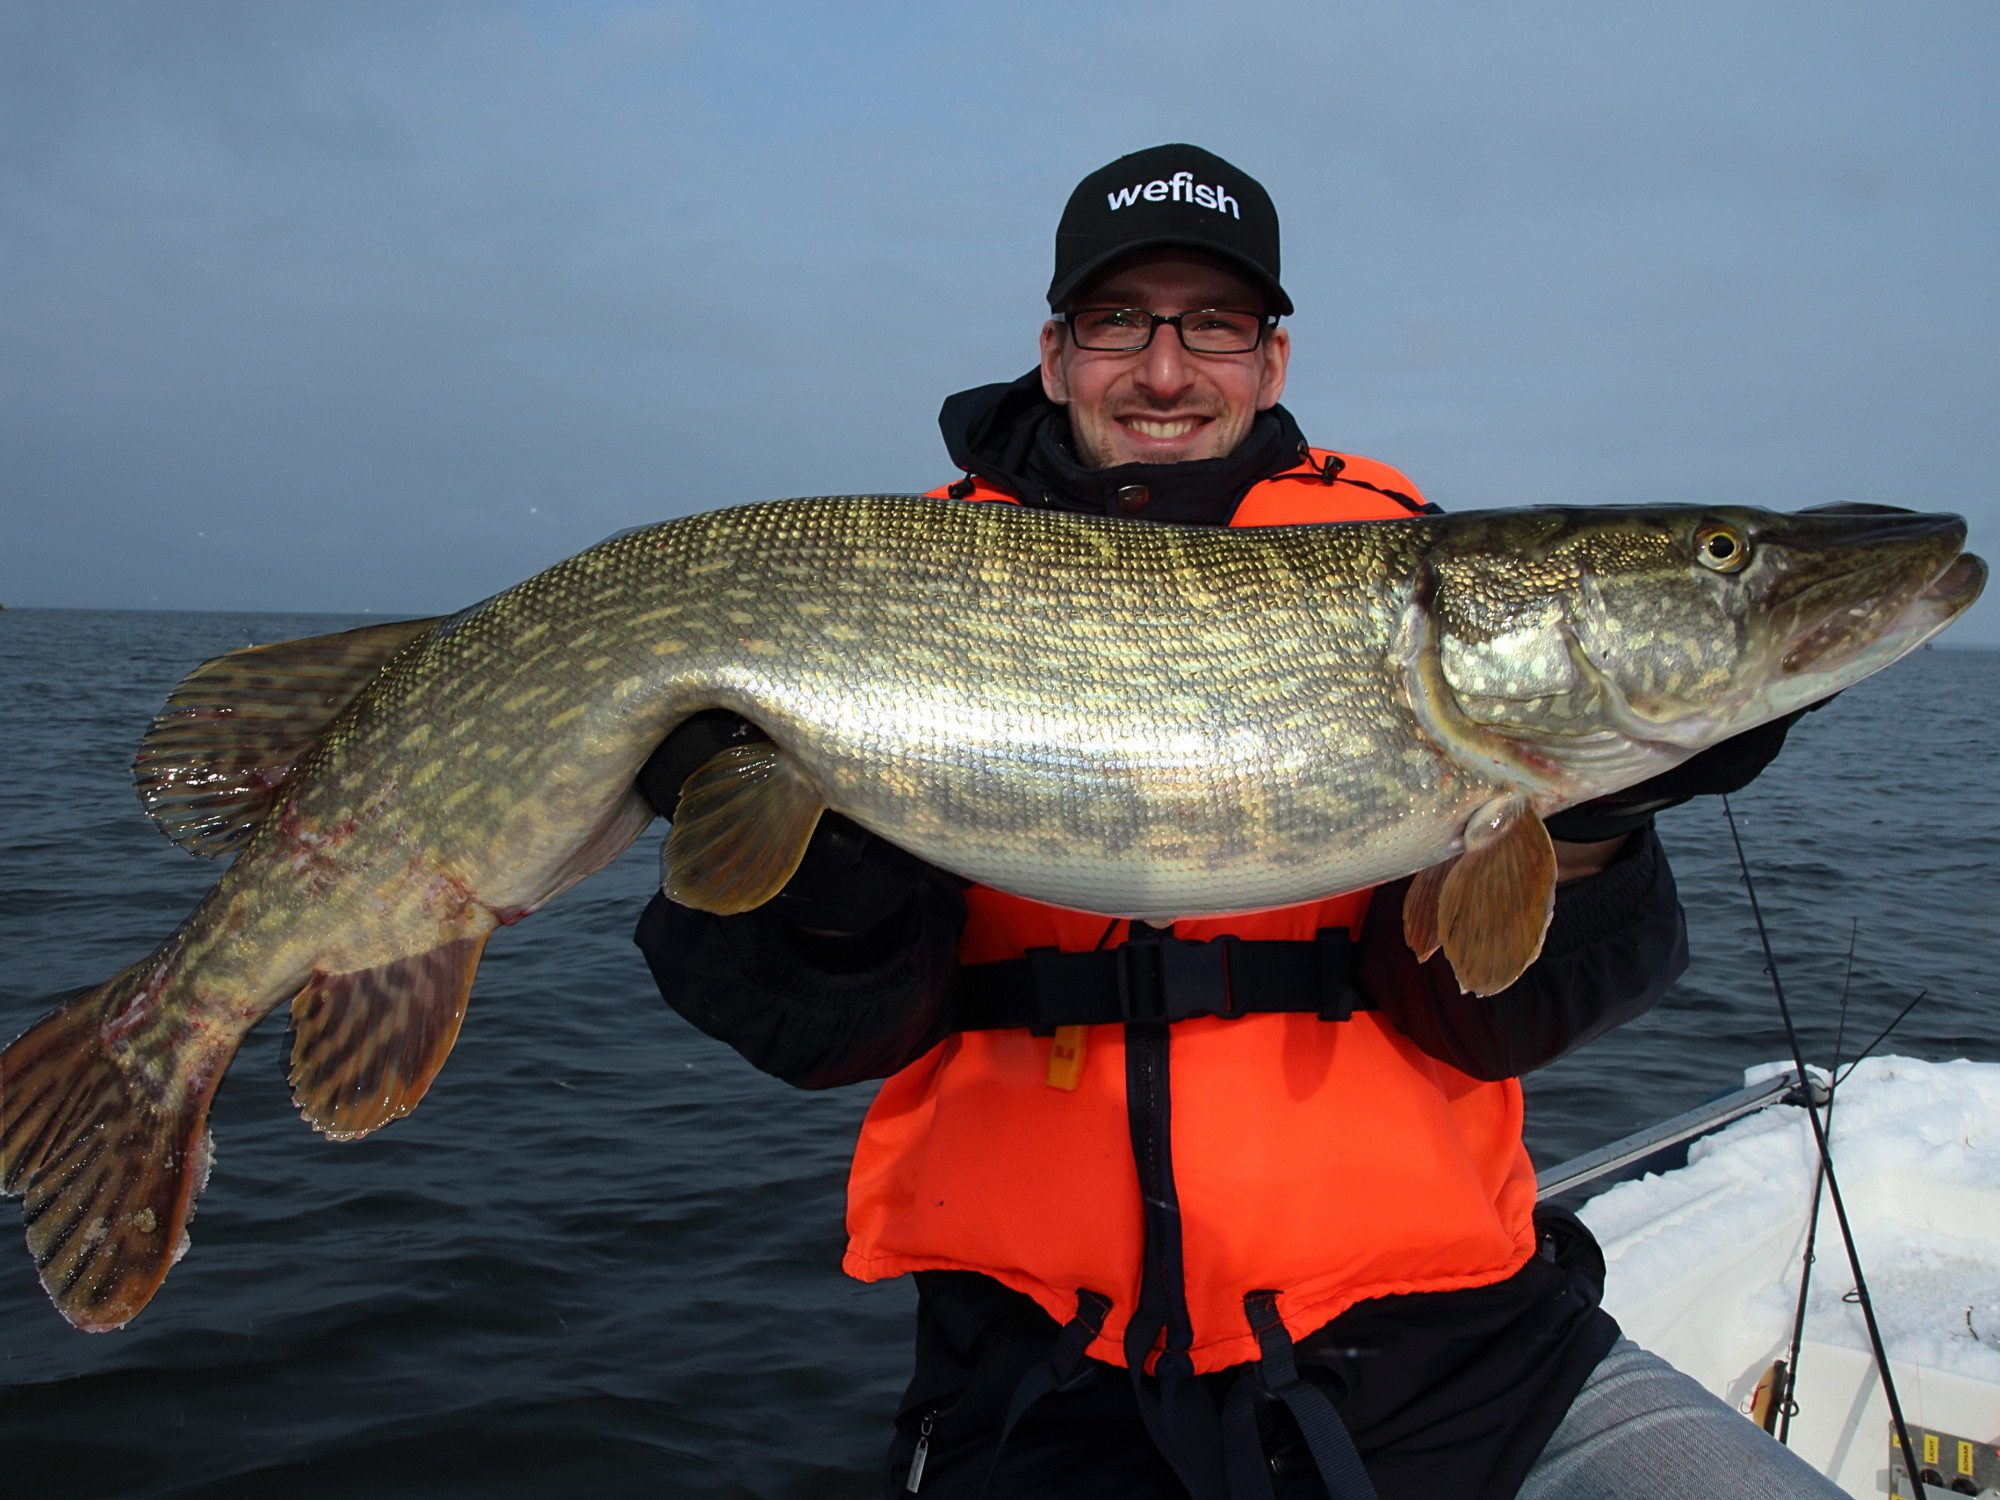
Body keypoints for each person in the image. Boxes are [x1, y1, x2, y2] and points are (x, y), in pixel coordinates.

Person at [632, 146, 1840, 1500]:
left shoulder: (1410, 569)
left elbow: (1493, 1019)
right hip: (1043, 1388)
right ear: (1054, 353)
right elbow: (821, 1039)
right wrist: (827, 893)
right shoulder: (888, 581)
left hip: (1461, 1357)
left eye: (1212, 325)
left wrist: (1589, 830)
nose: (1164, 369)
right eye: (1118, 324)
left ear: (1269, 361)